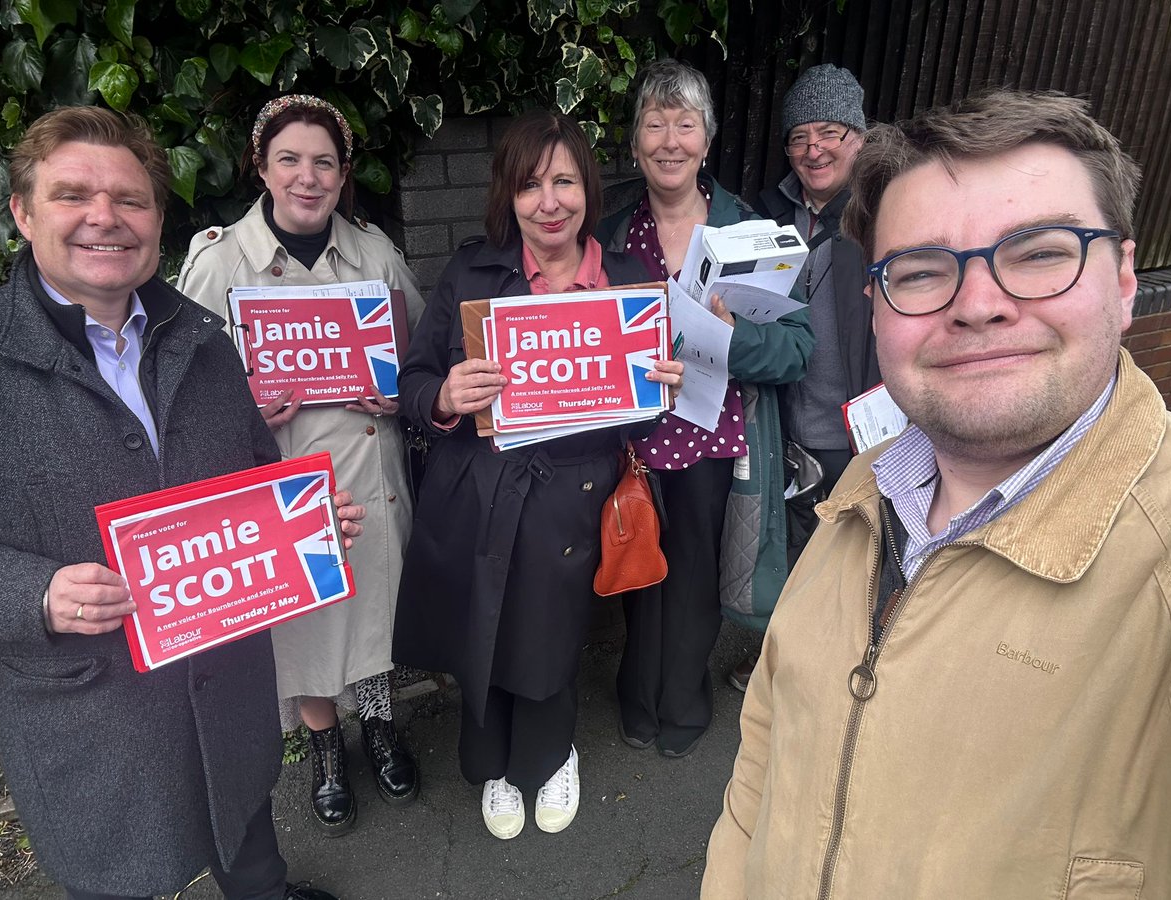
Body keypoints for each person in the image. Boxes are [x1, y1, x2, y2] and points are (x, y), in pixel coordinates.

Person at [703, 90, 1171, 898]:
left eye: (1039, 253)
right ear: (877, 306)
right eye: (922, 271)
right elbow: (762, 761)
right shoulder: (863, 491)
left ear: (1127, 278)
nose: (979, 304)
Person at [0, 106, 364, 900]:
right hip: (94, 710)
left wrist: (306, 524)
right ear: (21, 211)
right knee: (118, 873)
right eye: (72, 195)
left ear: (158, 218)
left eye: (130, 199)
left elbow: (258, 473)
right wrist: (33, 593)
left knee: (250, 843)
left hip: (224, 680)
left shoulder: (203, 336)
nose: (104, 218)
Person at [394, 110, 684, 840]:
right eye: (530, 185)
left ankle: (551, 756)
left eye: (563, 180)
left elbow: (639, 423)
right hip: (482, 490)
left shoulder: (626, 281)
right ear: (508, 195)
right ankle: (494, 764)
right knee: (484, 630)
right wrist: (445, 397)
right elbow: (414, 380)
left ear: (587, 186)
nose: (548, 201)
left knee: (552, 635)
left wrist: (659, 394)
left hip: (575, 491)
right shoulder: (471, 270)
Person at [176, 94, 424, 835]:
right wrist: (243, 404)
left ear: (344, 174)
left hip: (373, 480)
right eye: (290, 159)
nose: (307, 177)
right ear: (262, 165)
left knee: (376, 612)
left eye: (324, 162)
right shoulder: (220, 261)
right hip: (283, 489)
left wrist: (402, 387)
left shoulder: (374, 252)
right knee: (307, 625)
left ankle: (380, 726)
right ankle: (325, 748)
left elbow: (419, 354)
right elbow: (183, 400)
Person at [596, 59, 813, 757]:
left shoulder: (748, 229)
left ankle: (682, 700)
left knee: (690, 574)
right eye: (654, 124)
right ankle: (637, 693)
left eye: (684, 124)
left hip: (711, 436)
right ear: (635, 144)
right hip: (629, 437)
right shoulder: (606, 235)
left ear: (706, 140)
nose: (669, 140)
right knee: (636, 570)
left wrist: (732, 337)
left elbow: (797, 348)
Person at [728, 63, 882, 691]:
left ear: (860, 138)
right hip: (779, 418)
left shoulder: (883, 213)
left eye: (830, 133)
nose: (813, 149)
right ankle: (783, 664)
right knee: (788, 548)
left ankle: (851, 671)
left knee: (858, 554)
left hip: (856, 423)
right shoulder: (766, 213)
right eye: (799, 137)